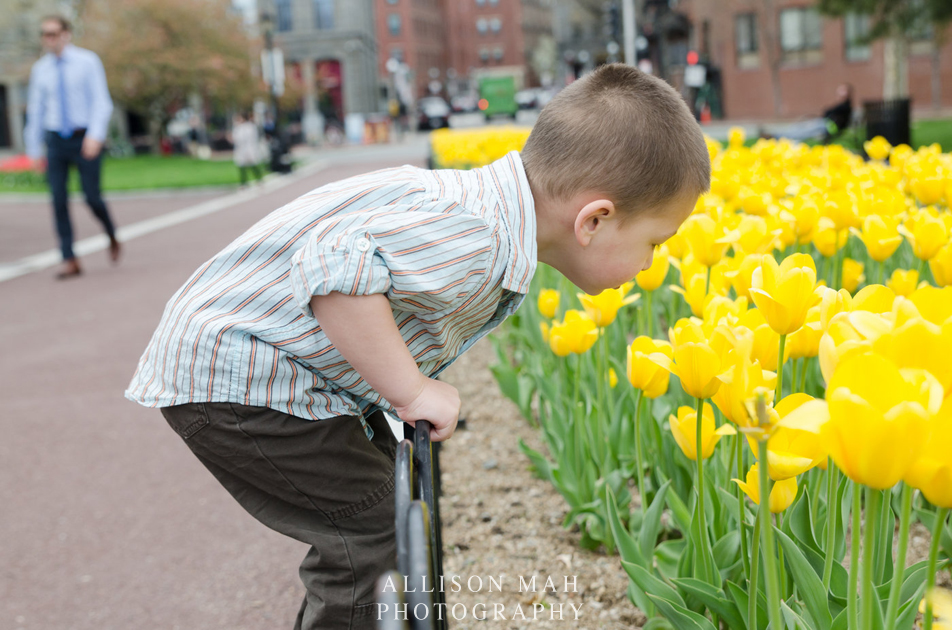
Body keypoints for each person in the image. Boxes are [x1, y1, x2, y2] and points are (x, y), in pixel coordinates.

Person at [124, 63, 709, 630]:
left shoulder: (482, 212)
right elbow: (335, 272)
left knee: (385, 509)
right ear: (595, 220)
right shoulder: (476, 238)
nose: (652, 262)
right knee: (371, 535)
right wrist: (411, 389)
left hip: (276, 370)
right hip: (243, 373)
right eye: (654, 241)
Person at [25, 14, 120, 280]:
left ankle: (111, 233)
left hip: (84, 138)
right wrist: (33, 150)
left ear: (66, 34)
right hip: (55, 140)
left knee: (92, 197)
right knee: (57, 200)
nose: (49, 39)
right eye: (45, 34)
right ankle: (69, 258)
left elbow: (102, 102)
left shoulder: (88, 61)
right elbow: (35, 112)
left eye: (53, 33)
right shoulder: (40, 70)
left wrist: (95, 135)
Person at [767, 83, 854, 143]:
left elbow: (827, 112)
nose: (839, 93)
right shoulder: (842, 106)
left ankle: (777, 137)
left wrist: (829, 112)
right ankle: (778, 135)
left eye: (843, 91)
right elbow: (827, 112)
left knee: (804, 131)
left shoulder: (846, 106)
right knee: (801, 127)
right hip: (824, 124)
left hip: (828, 127)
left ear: (848, 93)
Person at [231, 112, 263, 186]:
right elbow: (235, 139)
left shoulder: (250, 127)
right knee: (242, 167)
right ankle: (243, 183)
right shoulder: (237, 128)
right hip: (241, 150)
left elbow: (252, 138)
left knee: (253, 165)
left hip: (250, 148)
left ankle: (259, 179)